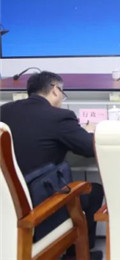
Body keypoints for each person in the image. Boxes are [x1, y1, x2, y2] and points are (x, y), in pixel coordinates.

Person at [0, 71, 104, 255]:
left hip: (5, 206)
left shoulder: (4, 111)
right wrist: (86, 131)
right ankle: (78, 255)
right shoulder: (59, 117)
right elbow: (89, 148)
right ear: (55, 90)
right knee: (92, 190)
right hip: (34, 208)